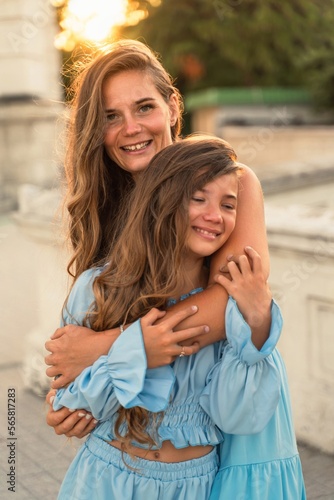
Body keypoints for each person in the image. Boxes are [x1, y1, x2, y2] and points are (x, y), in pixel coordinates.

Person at [45, 39, 271, 439]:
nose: (130, 128)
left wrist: (103, 347)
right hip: (133, 442)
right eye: (110, 116)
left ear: (173, 107)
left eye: (144, 107)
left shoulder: (228, 181)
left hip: (229, 415)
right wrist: (67, 395)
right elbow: (90, 316)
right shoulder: (108, 204)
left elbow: (228, 305)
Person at [51, 136, 289, 499]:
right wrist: (136, 351)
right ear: (163, 200)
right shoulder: (99, 287)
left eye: (228, 205)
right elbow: (71, 403)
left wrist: (257, 321)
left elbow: (237, 416)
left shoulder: (227, 314)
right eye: (198, 198)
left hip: (195, 485)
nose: (214, 216)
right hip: (107, 479)